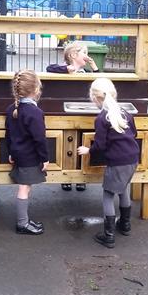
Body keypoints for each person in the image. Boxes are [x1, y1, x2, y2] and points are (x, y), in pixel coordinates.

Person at [77, 78, 139, 248]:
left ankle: (109, 235)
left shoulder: (102, 118)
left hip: (117, 162)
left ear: (95, 98)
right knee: (123, 189)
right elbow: (134, 133)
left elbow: (100, 145)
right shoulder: (125, 113)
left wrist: (88, 150)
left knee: (108, 195)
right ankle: (125, 225)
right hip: (133, 159)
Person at [47, 42, 96, 192]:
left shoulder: (85, 72)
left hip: (83, 110)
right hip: (65, 109)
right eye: (84, 52)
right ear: (73, 55)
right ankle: (66, 177)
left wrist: (94, 67)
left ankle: (82, 176)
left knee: (83, 142)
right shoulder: (65, 69)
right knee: (67, 144)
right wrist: (66, 69)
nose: (87, 56)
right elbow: (49, 68)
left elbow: (99, 81)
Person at [5, 69, 47, 235]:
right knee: (24, 188)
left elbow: (8, 134)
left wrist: (10, 153)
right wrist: (45, 159)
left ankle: (25, 221)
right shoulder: (35, 113)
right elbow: (40, 139)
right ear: (36, 89)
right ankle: (22, 224)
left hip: (17, 154)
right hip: (29, 157)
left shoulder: (11, 109)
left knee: (25, 187)